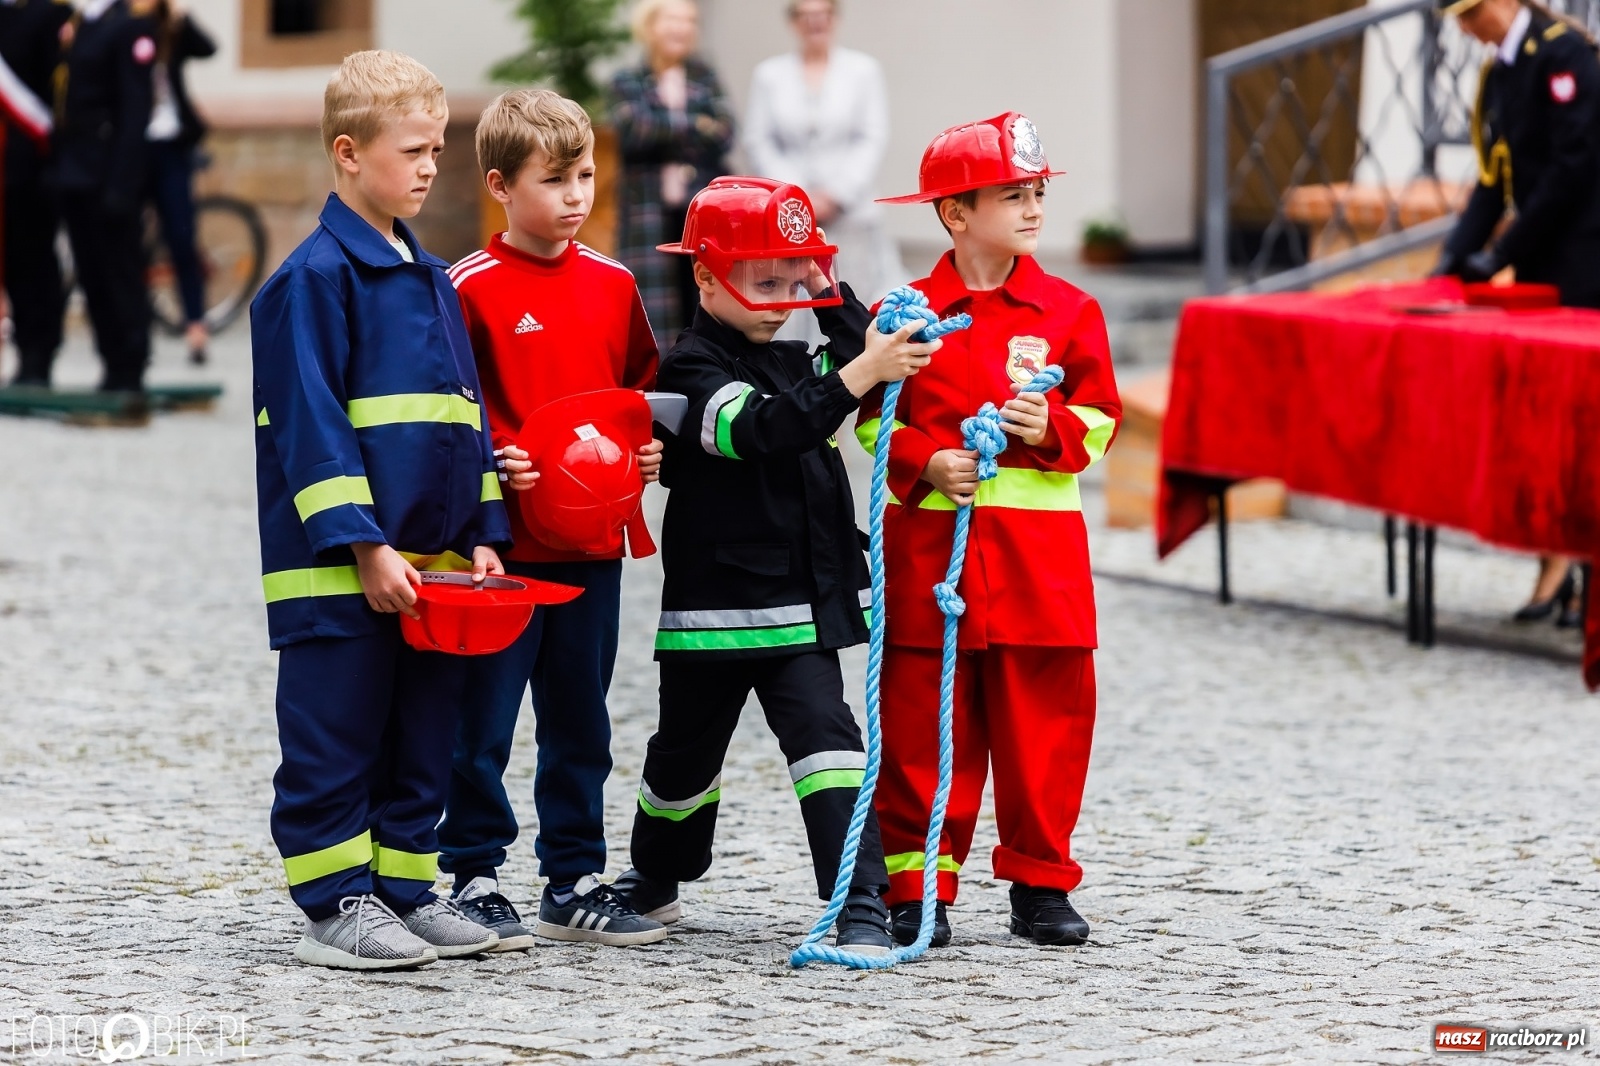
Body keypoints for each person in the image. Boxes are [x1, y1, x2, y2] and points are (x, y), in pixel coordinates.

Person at [610, 176, 940, 956]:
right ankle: (656, 878)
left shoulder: (794, 352)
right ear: (704, 275)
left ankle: (860, 902)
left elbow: (862, 354)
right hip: (714, 614)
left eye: (789, 278)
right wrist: (856, 373)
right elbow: (763, 428)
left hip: (800, 607)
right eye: (762, 280)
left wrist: (825, 288)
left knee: (829, 746)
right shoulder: (687, 370)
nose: (777, 298)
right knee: (681, 766)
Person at [251, 50, 511, 970]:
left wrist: (484, 533)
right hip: (341, 571)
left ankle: (403, 888)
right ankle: (335, 902)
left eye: (439, 148)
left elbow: (462, 418)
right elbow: (310, 430)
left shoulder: (433, 278)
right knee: (337, 729)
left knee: (421, 729)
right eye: (413, 150)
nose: (432, 166)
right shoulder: (310, 281)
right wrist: (362, 547)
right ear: (348, 153)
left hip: (433, 567)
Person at [863, 113, 1121, 948]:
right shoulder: (906, 313)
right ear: (955, 213)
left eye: (1038, 191)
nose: (1034, 206)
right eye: (1013, 194)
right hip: (933, 563)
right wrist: (928, 463)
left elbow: (1102, 418)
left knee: (1045, 727)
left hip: (1039, 567)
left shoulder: (1071, 310)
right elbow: (868, 424)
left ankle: (1041, 885)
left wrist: (1050, 430)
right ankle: (920, 891)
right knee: (920, 730)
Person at [439, 89, 668, 949]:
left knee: (582, 718)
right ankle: (473, 872)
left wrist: (649, 451)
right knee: (482, 721)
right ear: (500, 184)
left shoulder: (614, 284)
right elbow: (451, 408)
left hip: (591, 547)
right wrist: (498, 452)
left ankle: (572, 876)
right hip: (500, 553)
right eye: (555, 179)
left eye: (586, 176)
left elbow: (642, 392)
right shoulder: (467, 287)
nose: (575, 195)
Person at [1434, 0, 1600, 627]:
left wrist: (1503, 250)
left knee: (1586, 422)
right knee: (1547, 419)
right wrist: (1455, 256)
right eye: (1461, 19)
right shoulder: (1500, 69)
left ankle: (1585, 574)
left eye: (1474, 13)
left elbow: (1575, 166)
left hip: (1586, 261)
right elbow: (1493, 174)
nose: (1469, 28)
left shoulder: (1564, 53)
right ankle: (1557, 560)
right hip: (1542, 264)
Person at [744, 0, 906, 342]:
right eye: (805, 15)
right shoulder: (768, 75)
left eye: (823, 14)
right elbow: (759, 140)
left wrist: (837, 194)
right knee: (791, 296)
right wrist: (798, 197)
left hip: (851, 213)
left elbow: (872, 137)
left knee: (855, 300)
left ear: (834, 19)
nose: (815, 22)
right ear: (793, 22)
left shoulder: (863, 70)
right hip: (790, 214)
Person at [609, 0, 734, 346]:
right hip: (647, 215)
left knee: (705, 300)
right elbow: (634, 130)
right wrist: (696, 123)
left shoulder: (704, 75)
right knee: (654, 311)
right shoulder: (627, 79)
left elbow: (725, 132)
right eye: (673, 20)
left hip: (701, 214)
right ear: (649, 26)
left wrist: (665, 125)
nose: (682, 28)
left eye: (689, 21)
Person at [54, 0, 156, 393]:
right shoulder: (81, 23)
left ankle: (130, 363)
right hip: (76, 172)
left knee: (121, 273)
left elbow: (135, 112)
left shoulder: (129, 26)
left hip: (109, 173)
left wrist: (123, 185)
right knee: (93, 274)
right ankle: (110, 359)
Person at [0, 0, 73, 387]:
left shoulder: (51, 15)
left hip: (32, 167)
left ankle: (38, 354)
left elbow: (59, 95)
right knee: (10, 266)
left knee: (35, 266)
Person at [143, 0, 216, 364]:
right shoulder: (121, 26)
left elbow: (209, 48)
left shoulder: (171, 29)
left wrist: (181, 16)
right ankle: (137, 330)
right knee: (129, 241)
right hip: (135, 147)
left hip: (172, 146)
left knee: (181, 237)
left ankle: (196, 327)